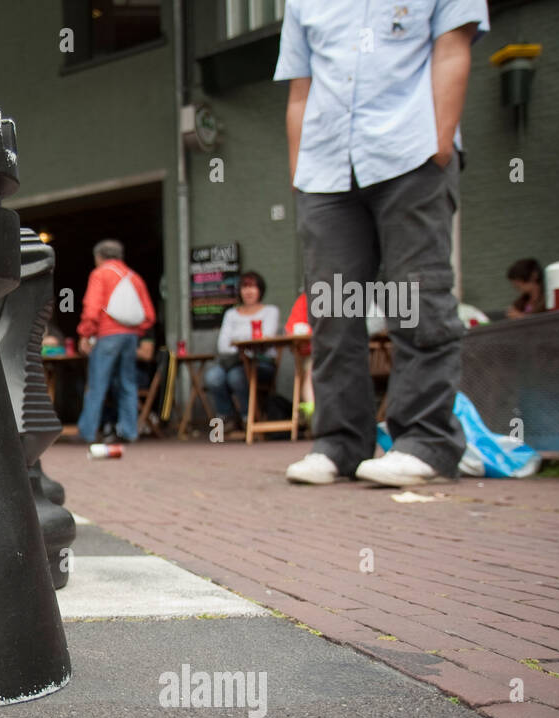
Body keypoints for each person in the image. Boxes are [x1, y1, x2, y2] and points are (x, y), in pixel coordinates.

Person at [277, 0, 489, 487]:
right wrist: (299, 172)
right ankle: (339, 443)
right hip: (326, 169)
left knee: (416, 299)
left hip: (410, 152)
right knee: (332, 310)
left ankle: (425, 442)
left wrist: (438, 142)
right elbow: (299, 90)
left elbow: (452, 50)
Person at [75, 239, 156, 443]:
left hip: (107, 335)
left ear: (99, 257)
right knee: (128, 384)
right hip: (130, 337)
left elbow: (92, 307)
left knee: (97, 384)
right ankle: (129, 432)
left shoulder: (100, 274)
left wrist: (85, 333)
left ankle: (87, 432)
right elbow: (148, 315)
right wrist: (133, 331)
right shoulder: (134, 278)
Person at [204, 271, 280, 430]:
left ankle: (248, 418)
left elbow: (266, 339)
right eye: (245, 287)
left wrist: (238, 341)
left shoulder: (270, 311)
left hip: (261, 364)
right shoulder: (231, 314)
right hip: (233, 362)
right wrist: (247, 344)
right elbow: (222, 345)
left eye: (252, 287)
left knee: (236, 376)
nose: (248, 291)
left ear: (260, 290)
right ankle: (228, 418)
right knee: (212, 377)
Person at [285, 291, 315, 423]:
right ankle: (314, 418)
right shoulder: (305, 299)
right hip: (314, 352)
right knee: (312, 371)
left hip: (345, 352)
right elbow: (292, 328)